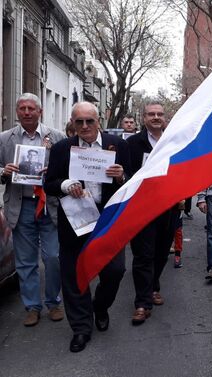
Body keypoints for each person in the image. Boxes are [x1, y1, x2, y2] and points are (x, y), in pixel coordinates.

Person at [44, 101, 130, 353]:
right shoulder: (62, 148)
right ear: (72, 123)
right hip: (74, 222)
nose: (84, 126)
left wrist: (121, 176)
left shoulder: (119, 145)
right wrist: (64, 184)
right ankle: (81, 328)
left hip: (108, 222)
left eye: (89, 121)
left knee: (115, 270)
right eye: (78, 121)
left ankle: (100, 306)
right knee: (72, 276)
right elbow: (49, 183)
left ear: (98, 121)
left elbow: (134, 181)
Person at [0, 93, 66, 327]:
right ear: (17, 112)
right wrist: (3, 172)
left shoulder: (57, 137)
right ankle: (32, 307)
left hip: (50, 206)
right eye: (22, 108)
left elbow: (67, 170)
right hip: (21, 206)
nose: (26, 112)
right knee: (26, 261)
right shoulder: (5, 139)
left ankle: (53, 302)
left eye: (31, 108)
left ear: (40, 112)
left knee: (54, 257)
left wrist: (54, 172)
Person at [127, 101, 178, 325]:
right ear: (144, 118)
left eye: (159, 114)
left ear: (164, 117)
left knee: (160, 253)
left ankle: (153, 286)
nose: (156, 117)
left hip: (168, 207)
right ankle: (142, 303)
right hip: (141, 209)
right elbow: (127, 174)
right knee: (143, 256)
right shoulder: (132, 144)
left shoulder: (175, 141)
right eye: (151, 114)